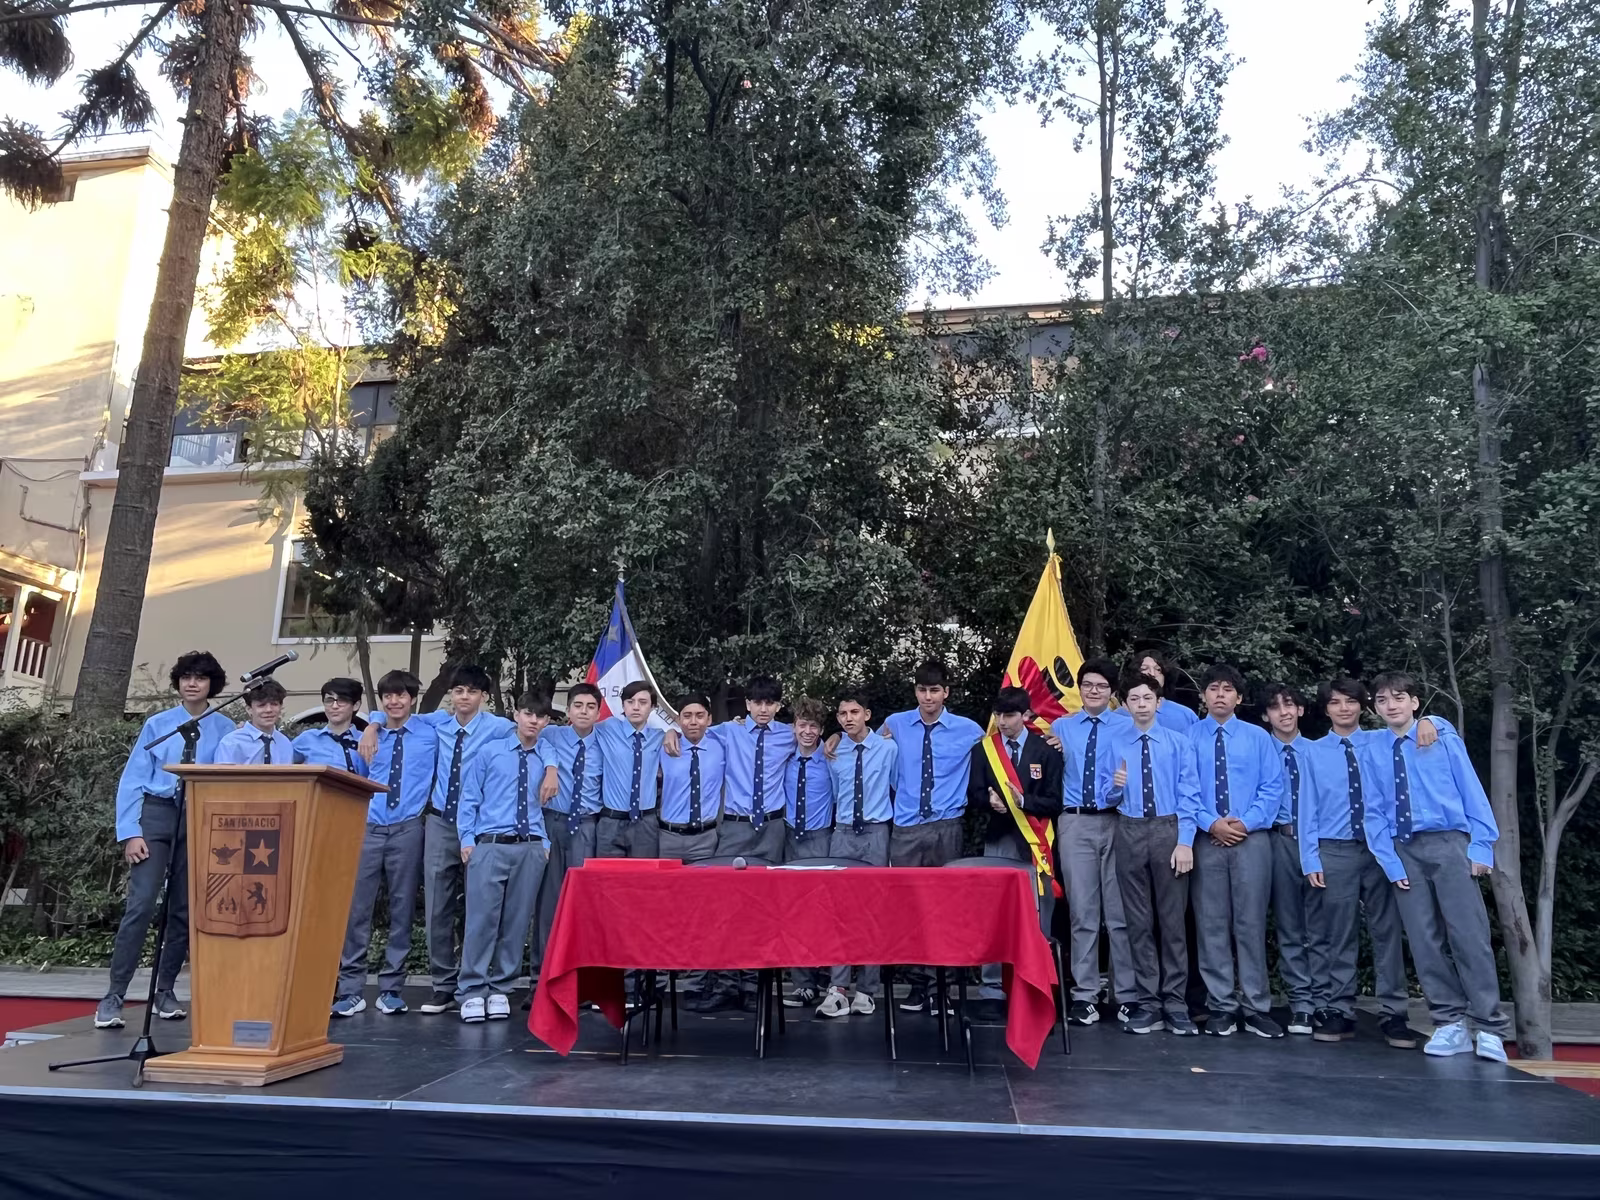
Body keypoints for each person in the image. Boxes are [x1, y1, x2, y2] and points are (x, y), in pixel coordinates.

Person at [1360, 671, 1510, 1063]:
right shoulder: (1373, 749)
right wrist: (1390, 861)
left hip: (1448, 843)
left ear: (1414, 702)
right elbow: (1373, 810)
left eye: (1399, 697)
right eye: (1382, 700)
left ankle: (1489, 1025)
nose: (1390, 705)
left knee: (1469, 935)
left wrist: (1482, 845)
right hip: (1403, 849)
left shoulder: (1441, 737)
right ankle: (1449, 1021)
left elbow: (1471, 791)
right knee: (1424, 940)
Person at [360, 663, 514, 1015]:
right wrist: (371, 724)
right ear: (451, 695)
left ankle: (475, 985)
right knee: (436, 907)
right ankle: (442, 985)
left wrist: (550, 767)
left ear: (483, 697)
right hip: (440, 822)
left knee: (480, 907)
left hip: (480, 824)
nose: (464, 697)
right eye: (458, 691)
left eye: (471, 691)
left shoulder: (499, 728)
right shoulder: (436, 724)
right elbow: (394, 712)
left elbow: (535, 735)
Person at [96, 651, 233, 1030]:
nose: (192, 684)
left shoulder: (224, 728)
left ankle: (165, 990)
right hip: (156, 814)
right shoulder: (158, 724)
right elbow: (133, 778)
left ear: (212, 684)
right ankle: (114, 996)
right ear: (178, 682)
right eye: (186, 677)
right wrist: (131, 832)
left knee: (183, 908)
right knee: (141, 904)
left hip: (199, 817)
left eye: (200, 678)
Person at [1300, 678, 1424, 1049]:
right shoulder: (1313, 752)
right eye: (1335, 702)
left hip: (1380, 849)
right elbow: (1306, 807)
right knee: (1339, 933)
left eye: (1351, 701)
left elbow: (1415, 726)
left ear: (1362, 705)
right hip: (1335, 849)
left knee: (1387, 931)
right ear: (1326, 709)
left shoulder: (1380, 740)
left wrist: (1433, 722)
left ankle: (1394, 1012)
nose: (1344, 708)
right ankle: (1339, 1008)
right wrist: (1310, 857)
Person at [1184, 664, 1286, 1038]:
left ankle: (1256, 1006)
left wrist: (1243, 824)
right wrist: (1211, 823)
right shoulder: (1189, 737)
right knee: (1211, 925)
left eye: (1228, 689)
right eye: (1213, 688)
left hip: (1251, 839)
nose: (1220, 695)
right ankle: (1222, 1006)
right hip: (1206, 839)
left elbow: (1272, 787)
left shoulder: (1258, 737)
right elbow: (1184, 788)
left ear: (1239, 698)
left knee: (1251, 924)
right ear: (1204, 696)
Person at [884, 660, 986, 1015]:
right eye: (922, 690)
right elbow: (863, 743)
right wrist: (835, 738)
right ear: (915, 692)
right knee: (909, 908)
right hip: (907, 827)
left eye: (935, 690)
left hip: (946, 826)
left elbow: (1002, 752)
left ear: (946, 692)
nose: (928, 697)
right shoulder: (895, 724)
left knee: (945, 907)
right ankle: (917, 984)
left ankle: (942, 986)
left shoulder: (969, 730)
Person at [332, 670, 434, 1018]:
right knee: (358, 908)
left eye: (401, 695)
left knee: (402, 909)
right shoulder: (368, 737)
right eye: (388, 696)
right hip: (369, 827)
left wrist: (373, 721)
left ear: (412, 699)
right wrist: (373, 725)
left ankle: (392, 988)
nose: (394, 701)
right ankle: (351, 990)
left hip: (408, 828)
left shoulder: (430, 731)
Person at [1104, 671, 1201, 1036]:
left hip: (1167, 828)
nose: (1141, 705)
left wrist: (1185, 841)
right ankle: (1148, 1003)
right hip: (1129, 827)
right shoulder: (1116, 742)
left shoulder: (1178, 743)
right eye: (1134, 699)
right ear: (1125, 704)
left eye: (1147, 698)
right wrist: (1115, 788)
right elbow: (1104, 795)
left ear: (1158, 703)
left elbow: (1190, 793)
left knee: (1173, 921)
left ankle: (1175, 1002)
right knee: (1138, 921)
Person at [1048, 656, 1135, 1026]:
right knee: (1082, 912)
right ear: (1079, 688)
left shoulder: (1129, 725)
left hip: (1118, 822)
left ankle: (1126, 994)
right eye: (1087, 685)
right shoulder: (1062, 727)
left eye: (1101, 686)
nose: (1094, 691)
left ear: (1112, 692)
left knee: (1120, 914)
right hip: (1076, 823)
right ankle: (1084, 995)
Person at [967, 686, 1063, 1017]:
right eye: (998, 715)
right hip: (999, 838)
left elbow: (1055, 800)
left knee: (1039, 911)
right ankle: (992, 988)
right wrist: (989, 801)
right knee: (995, 911)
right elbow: (973, 794)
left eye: (1009, 716)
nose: (1002, 722)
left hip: (1036, 842)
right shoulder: (984, 750)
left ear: (1026, 715)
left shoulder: (1045, 750)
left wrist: (1024, 802)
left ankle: (1037, 984)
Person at [455, 693, 551, 1023]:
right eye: (528, 713)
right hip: (491, 844)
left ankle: (501, 988)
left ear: (547, 722)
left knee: (517, 921)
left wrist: (544, 844)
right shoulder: (490, 751)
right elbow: (469, 797)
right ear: (516, 715)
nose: (533, 721)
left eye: (540, 716)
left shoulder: (546, 756)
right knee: (481, 920)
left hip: (530, 846)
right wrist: (467, 840)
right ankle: (472, 989)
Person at [815, 688, 898, 1019]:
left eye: (854, 712)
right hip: (844, 833)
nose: (848, 718)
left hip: (876, 833)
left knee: (873, 912)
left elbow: (897, 784)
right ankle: (837, 989)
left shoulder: (888, 748)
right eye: (842, 714)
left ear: (867, 715)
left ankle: (867, 989)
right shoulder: (834, 752)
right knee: (839, 911)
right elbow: (837, 794)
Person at [527, 682, 605, 1004]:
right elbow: (520, 732)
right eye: (578, 706)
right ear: (569, 710)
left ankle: (580, 982)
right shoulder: (551, 736)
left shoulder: (607, 739)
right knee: (547, 905)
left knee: (583, 908)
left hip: (587, 827)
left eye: (590, 707)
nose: (584, 712)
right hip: (552, 823)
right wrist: (551, 767)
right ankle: (541, 981)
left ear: (599, 712)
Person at [1261, 682, 1320, 1036]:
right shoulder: (1259, 750)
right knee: (1289, 924)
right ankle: (1301, 1003)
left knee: (1321, 924)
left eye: (1289, 705)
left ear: (1300, 710)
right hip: (1277, 839)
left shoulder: (1317, 751)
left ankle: (1326, 1000)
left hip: (1317, 840)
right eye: (1275, 707)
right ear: (1265, 715)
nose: (1283, 712)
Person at [781, 698, 836, 1008]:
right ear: (794, 727)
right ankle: (802, 983)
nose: (807, 731)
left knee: (822, 911)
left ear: (822, 730)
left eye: (814, 726)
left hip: (819, 839)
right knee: (794, 912)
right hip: (789, 837)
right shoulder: (785, 756)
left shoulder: (830, 757)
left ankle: (825, 977)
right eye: (802, 725)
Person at [711, 675, 794, 864]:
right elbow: (694, 734)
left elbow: (816, 739)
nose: (763, 709)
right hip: (736, 825)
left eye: (769, 703)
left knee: (770, 879)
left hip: (772, 827)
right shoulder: (729, 730)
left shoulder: (790, 734)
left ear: (778, 706)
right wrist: (672, 733)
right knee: (724, 876)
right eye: (757, 703)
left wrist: (837, 735)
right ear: (748, 704)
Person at [593, 680, 666, 860]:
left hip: (645, 823)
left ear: (653, 707)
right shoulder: (606, 729)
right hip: (611, 822)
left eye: (643, 702)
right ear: (623, 705)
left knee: (643, 875)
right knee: (607, 875)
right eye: (630, 701)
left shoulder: (659, 737)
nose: (636, 707)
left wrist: (671, 732)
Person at [657, 693, 725, 864]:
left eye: (699, 716)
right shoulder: (664, 747)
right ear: (678, 719)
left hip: (706, 840)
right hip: (669, 838)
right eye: (687, 716)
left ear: (709, 719)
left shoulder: (722, 746)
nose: (693, 722)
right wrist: (670, 731)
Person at [291, 678, 369, 774]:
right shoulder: (308, 738)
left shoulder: (366, 740)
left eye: (342, 700)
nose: (334, 706)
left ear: (356, 705)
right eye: (329, 700)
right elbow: (281, 763)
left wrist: (374, 727)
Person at [214, 679, 294, 764]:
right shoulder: (231, 743)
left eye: (274, 704)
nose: (269, 710)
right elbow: (223, 773)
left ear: (280, 707)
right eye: (261, 705)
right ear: (249, 709)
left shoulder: (285, 743)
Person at [1135, 653, 1199, 732]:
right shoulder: (1122, 714)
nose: (1152, 674)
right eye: (1144, 669)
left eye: (1158, 670)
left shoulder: (1185, 715)